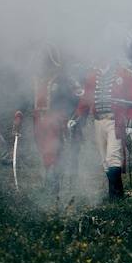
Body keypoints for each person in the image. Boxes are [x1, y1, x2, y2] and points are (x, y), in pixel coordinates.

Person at [73, 61, 132, 200]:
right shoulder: (92, 75)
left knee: (113, 157)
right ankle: (115, 193)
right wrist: (76, 117)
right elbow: (85, 100)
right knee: (105, 160)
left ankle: (116, 197)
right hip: (98, 122)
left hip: (115, 121)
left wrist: (131, 122)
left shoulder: (124, 74)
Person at [29, 46, 78, 198]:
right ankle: (49, 181)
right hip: (38, 120)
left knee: (55, 151)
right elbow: (25, 99)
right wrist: (18, 114)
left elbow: (72, 99)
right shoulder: (35, 80)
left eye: (46, 62)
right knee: (43, 151)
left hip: (55, 120)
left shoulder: (62, 79)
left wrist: (64, 116)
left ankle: (54, 185)